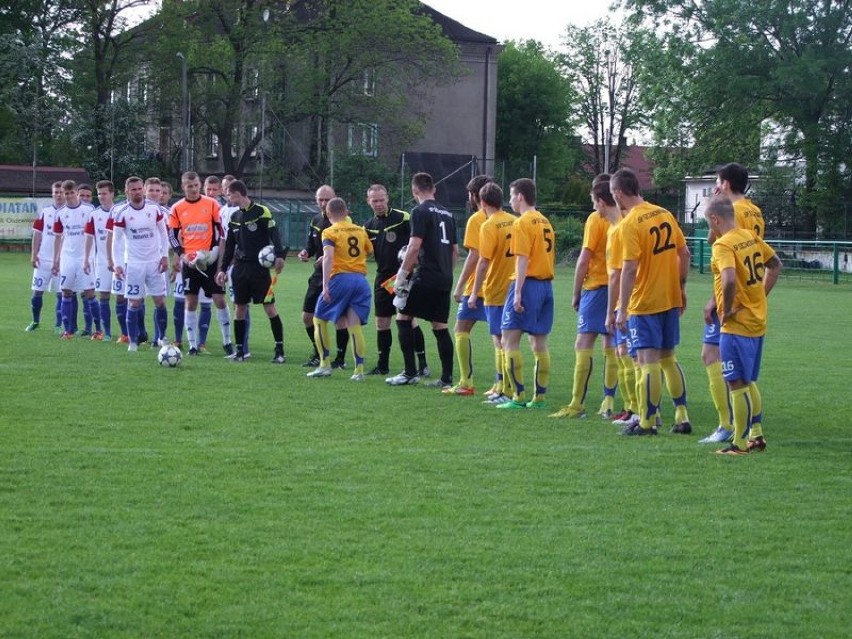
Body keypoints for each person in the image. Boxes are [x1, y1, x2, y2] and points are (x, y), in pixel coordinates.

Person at [613, 168, 691, 435]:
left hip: (645, 301)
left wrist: (622, 309)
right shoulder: (664, 213)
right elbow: (685, 252)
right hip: (670, 297)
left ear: (619, 192)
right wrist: (681, 287)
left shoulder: (630, 223)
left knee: (647, 361)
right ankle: (682, 416)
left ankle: (646, 421)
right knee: (668, 358)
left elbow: (630, 269)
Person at [704, 195, 781, 454]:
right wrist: (758, 297)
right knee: (748, 380)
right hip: (756, 321)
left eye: (708, 223)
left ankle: (738, 443)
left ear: (715, 219)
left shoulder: (723, 245)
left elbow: (728, 279)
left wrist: (724, 311)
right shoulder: (750, 237)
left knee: (735, 383)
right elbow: (775, 265)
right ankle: (756, 435)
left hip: (736, 325)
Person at [699, 162, 767, 444]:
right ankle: (753, 429)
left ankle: (727, 425)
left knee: (711, 356)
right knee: (743, 371)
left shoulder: (730, 212)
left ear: (725, 183)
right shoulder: (754, 211)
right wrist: (759, 294)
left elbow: (716, 246)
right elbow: (766, 260)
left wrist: (717, 302)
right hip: (750, 297)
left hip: (731, 301)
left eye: (717, 181)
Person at [550, 174, 621, 419]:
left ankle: (576, 403)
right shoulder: (624, 217)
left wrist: (576, 291)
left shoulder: (596, 219)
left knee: (583, 343)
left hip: (597, 286)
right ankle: (609, 401)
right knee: (611, 343)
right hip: (620, 288)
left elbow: (584, 257)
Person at [387, 172, 458, 387]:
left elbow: (414, 246)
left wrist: (401, 276)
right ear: (434, 189)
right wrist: (447, 272)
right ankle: (446, 378)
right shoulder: (448, 214)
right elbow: (455, 251)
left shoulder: (419, 211)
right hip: (444, 278)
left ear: (414, 190)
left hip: (424, 275)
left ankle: (410, 373)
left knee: (402, 316)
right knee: (440, 326)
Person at [494, 178, 555, 409]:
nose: (510, 201)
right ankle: (539, 398)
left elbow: (522, 259)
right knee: (539, 344)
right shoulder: (545, 221)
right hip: (546, 286)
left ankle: (517, 397)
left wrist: (517, 292)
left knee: (508, 339)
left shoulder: (522, 223)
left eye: (511, 196)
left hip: (528, 284)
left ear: (520, 196)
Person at [215, 180, 286, 363]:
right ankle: (240, 351)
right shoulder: (234, 217)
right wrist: (223, 269)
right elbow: (230, 246)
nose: (227, 198)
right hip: (240, 268)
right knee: (239, 308)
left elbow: (274, 234)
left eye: (229, 194)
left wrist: (279, 256)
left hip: (260, 268)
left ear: (238, 193)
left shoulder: (261, 211)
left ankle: (279, 351)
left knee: (269, 308)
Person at [362, 183, 430, 376]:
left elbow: (418, 243)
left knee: (409, 320)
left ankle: (422, 364)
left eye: (382, 200)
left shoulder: (403, 218)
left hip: (404, 276)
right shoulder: (368, 227)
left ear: (387, 198)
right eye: (375, 201)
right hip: (383, 277)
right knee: (381, 322)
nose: (379, 204)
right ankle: (382, 365)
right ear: (369, 202)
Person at [306, 197, 374, 379]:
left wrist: (326, 285)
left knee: (318, 319)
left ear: (328, 214)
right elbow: (369, 250)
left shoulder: (329, 231)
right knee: (354, 324)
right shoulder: (360, 230)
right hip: (360, 280)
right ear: (346, 212)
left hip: (341, 278)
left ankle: (324, 364)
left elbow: (328, 257)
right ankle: (359, 371)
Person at [167, 170, 233, 356]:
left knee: (219, 299)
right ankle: (193, 345)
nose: (194, 189)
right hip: (190, 262)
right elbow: (172, 234)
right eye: (190, 186)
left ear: (199, 184)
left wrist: (213, 254)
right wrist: (181, 254)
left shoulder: (212, 204)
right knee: (191, 301)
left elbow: (220, 231)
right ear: (183, 187)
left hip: (209, 261)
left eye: (196, 185)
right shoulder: (177, 208)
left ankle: (227, 342)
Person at [106, 176, 170, 352]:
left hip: (154, 263)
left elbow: (163, 234)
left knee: (160, 301)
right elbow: (116, 242)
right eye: (133, 189)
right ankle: (133, 341)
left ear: (143, 189)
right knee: (134, 303)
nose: (137, 192)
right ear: (127, 191)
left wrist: (164, 256)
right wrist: (118, 263)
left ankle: (161, 338)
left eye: (139, 188)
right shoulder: (121, 213)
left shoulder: (154, 209)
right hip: (133, 264)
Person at [467, 181, 516, 404]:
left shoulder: (489, 225)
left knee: (499, 341)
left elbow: (483, 262)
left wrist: (474, 291)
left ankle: (504, 389)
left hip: (496, 288)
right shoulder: (514, 221)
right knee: (508, 340)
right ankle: (504, 387)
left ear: (482, 201)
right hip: (513, 286)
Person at [444, 175, 491, 396]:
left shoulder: (476, 219)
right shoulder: (509, 218)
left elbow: (474, 256)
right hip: (500, 284)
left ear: (475, 195)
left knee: (461, 329)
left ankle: (466, 382)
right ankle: (502, 385)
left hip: (478, 286)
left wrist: (460, 285)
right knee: (500, 337)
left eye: (469, 194)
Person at [298, 184, 350, 368]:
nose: (323, 203)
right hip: (318, 275)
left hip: (338, 276)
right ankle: (319, 352)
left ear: (335, 199)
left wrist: (329, 257)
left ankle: (341, 359)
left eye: (327, 200)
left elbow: (349, 251)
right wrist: (305, 252)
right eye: (320, 199)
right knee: (307, 316)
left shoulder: (344, 222)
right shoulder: (315, 220)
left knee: (339, 318)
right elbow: (311, 246)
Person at [51, 180, 97, 339]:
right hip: (67, 257)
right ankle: (68, 330)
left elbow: (93, 235)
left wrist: (89, 257)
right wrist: (56, 260)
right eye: (66, 193)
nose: (69, 196)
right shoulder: (60, 213)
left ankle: (97, 331)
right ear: (63, 194)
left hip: (85, 257)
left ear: (76, 192)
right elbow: (58, 238)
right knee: (66, 291)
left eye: (71, 192)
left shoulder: (89, 210)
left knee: (89, 292)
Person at [218, 174, 251, 358]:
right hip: (229, 264)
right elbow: (224, 241)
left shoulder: (243, 212)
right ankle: (239, 347)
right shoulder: (222, 211)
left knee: (242, 304)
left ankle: (243, 348)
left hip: (242, 264)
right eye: (225, 188)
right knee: (237, 304)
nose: (227, 191)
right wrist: (221, 267)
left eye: (230, 188)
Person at [26, 181, 65, 333]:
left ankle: (58, 325)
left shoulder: (68, 212)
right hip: (43, 259)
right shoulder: (45, 211)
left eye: (61, 192)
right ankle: (35, 321)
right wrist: (33, 255)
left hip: (62, 261)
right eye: (56, 192)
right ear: (52, 194)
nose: (58, 195)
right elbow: (37, 235)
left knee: (61, 294)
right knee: (37, 292)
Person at [84, 180, 117, 341]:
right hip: (102, 262)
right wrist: (86, 259)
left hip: (121, 262)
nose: (101, 196)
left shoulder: (120, 211)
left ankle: (129, 333)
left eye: (104, 193)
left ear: (112, 194)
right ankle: (107, 333)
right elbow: (89, 239)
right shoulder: (94, 215)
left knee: (124, 298)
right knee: (103, 296)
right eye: (99, 194)